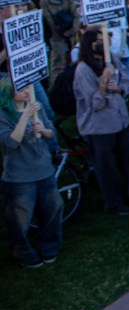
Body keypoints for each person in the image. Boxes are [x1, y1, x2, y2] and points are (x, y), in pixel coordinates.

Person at [73, 28, 129, 215]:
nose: (103, 43)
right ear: (89, 44)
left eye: (103, 39)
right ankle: (114, 203)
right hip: (100, 127)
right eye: (98, 40)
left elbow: (127, 80)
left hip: (121, 120)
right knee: (106, 167)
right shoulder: (83, 70)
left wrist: (119, 88)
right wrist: (103, 83)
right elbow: (94, 104)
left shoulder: (111, 58)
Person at [0, 78, 61, 268]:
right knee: (20, 220)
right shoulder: (3, 114)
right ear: (8, 91)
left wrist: (43, 130)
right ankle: (24, 254)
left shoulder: (36, 106)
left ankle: (49, 248)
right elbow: (11, 142)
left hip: (44, 169)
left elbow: (51, 132)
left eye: (27, 86)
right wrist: (25, 116)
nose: (27, 91)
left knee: (53, 209)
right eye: (20, 88)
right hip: (19, 176)